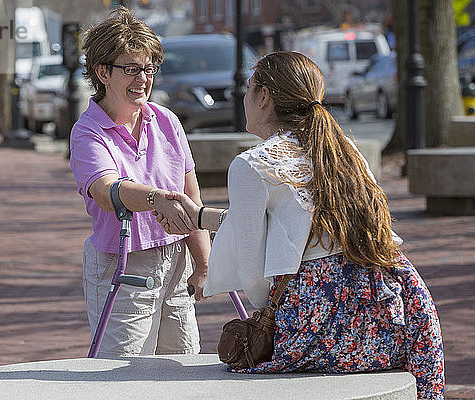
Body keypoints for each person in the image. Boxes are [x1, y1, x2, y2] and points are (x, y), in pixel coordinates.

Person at [156, 52, 444, 399]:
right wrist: (200, 215)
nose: (244, 98)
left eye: (249, 89)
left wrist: (270, 316)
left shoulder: (251, 165)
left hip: (321, 322)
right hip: (391, 308)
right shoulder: (342, 149)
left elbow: (253, 272)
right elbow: (293, 228)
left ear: (264, 97)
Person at [68, 7, 210, 357]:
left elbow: (190, 194)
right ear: (103, 71)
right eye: (131, 69)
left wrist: (204, 262)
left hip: (176, 261)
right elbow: (105, 190)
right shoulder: (87, 133)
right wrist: (156, 198)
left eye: (148, 68)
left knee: (183, 370)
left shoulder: (166, 120)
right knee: (124, 378)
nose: (143, 78)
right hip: (123, 265)